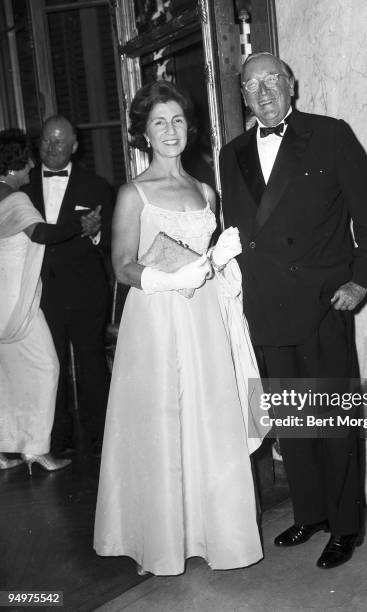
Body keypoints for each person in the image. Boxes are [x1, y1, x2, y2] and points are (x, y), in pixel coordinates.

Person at [219, 52, 367, 569]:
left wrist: (362, 280)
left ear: (292, 85)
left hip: (322, 301)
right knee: (291, 420)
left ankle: (344, 526)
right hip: (266, 304)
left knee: (334, 420)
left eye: (274, 80)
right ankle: (311, 512)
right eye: (253, 85)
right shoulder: (232, 154)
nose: (265, 91)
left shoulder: (331, 134)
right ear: (244, 96)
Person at [94, 80, 264, 576]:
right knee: (160, 421)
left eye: (178, 121)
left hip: (202, 315)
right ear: (143, 134)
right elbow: (122, 265)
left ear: (189, 129)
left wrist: (217, 260)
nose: (171, 131)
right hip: (155, 318)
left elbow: (203, 259)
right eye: (159, 122)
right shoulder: (133, 193)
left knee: (209, 419)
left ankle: (213, 534)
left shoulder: (204, 190)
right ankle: (157, 539)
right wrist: (172, 277)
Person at [0, 129, 98, 473]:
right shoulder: (15, 199)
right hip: (19, 302)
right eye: (28, 160)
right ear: (16, 164)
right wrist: (79, 224)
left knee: (8, 375)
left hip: (4, 299)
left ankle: (5, 447)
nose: (32, 166)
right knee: (47, 367)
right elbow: (43, 233)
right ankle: (36, 450)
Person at [22, 116, 113, 455]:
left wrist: (96, 233)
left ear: (75, 146)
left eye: (60, 141)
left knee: (91, 364)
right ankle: (54, 438)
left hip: (86, 291)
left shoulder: (97, 186)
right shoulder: (23, 187)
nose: (51, 147)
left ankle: (101, 437)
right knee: (49, 365)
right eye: (46, 140)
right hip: (41, 292)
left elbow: (113, 245)